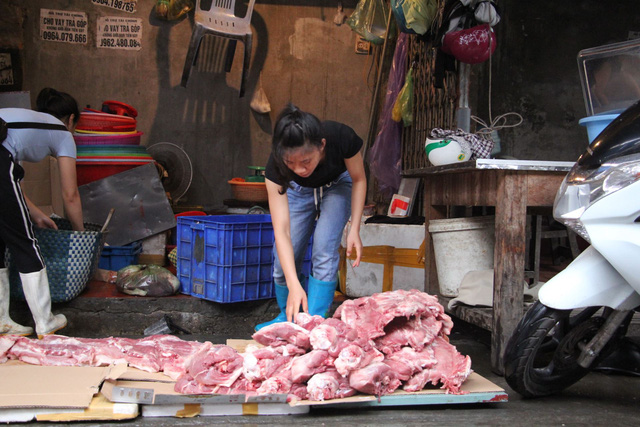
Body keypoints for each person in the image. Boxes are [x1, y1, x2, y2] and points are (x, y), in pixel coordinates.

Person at [255, 104, 366, 330]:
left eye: (306, 161)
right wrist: (293, 284)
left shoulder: (340, 136)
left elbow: (359, 179)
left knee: (324, 247)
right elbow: (282, 232)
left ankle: (315, 321)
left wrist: (355, 228)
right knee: (282, 261)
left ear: (321, 145)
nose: (299, 169)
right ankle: (289, 317)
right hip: (298, 191)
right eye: (290, 163)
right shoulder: (275, 167)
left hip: (338, 185)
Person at [0, 87, 84, 338]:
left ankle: (2, 320)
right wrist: (80, 236)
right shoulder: (63, 133)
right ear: (71, 119)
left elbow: (10, 187)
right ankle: (46, 322)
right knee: (26, 242)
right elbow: (70, 194)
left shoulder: (23, 120)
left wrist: (35, 213)